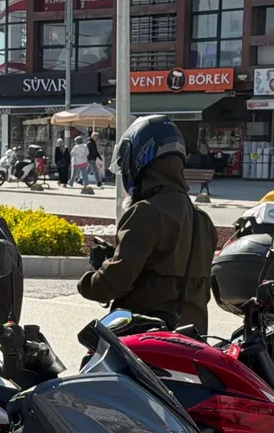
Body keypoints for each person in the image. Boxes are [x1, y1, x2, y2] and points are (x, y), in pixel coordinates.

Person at [78, 115, 218, 335]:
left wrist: (89, 281)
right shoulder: (203, 220)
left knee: (90, 361)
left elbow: (114, 282)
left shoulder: (146, 212)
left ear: (139, 160)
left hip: (145, 342)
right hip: (193, 344)